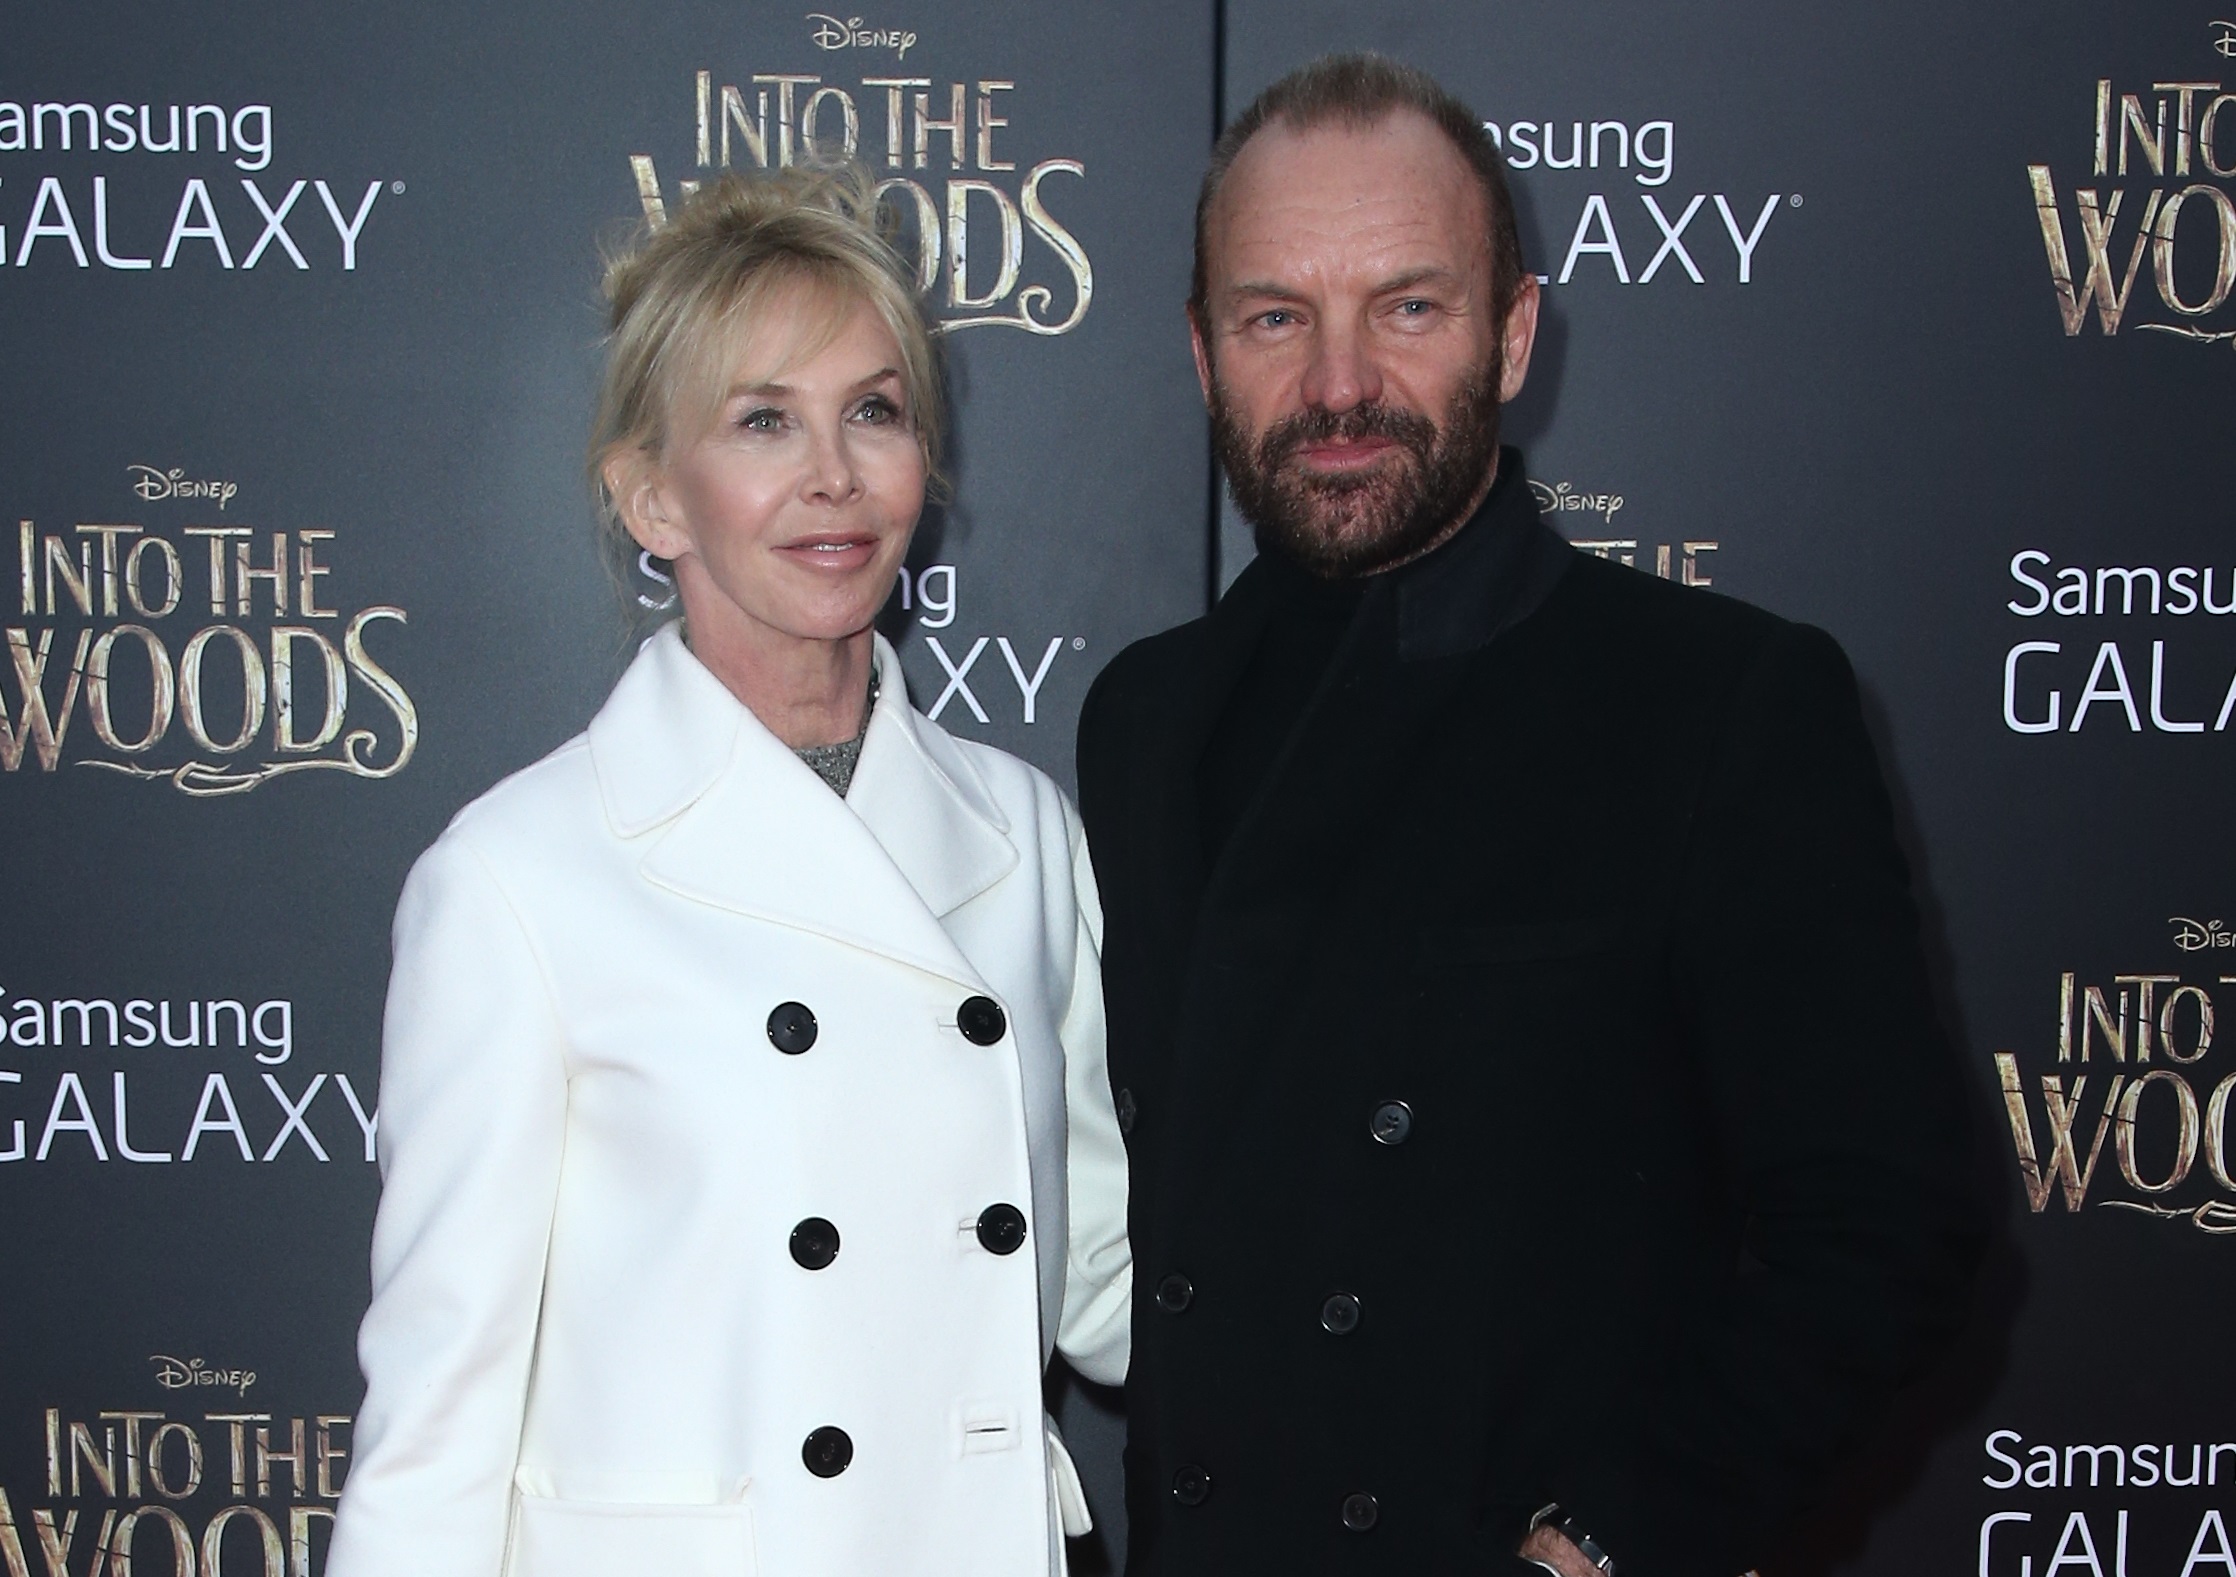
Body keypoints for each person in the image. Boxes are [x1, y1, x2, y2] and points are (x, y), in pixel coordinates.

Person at [1075, 54, 1982, 1577]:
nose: (1340, 383)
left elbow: (1889, 1225)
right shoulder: (1142, 720)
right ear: (1201, 351)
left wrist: (1606, 1545)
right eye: (1276, 316)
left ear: (1512, 333)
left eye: (1408, 308)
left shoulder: (1720, 700)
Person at [327, 165, 1130, 1577]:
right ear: (654, 497)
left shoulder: (1021, 831)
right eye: (765, 420)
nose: (834, 475)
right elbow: (439, 1417)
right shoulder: (518, 882)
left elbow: (1102, 1276)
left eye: (873, 412)